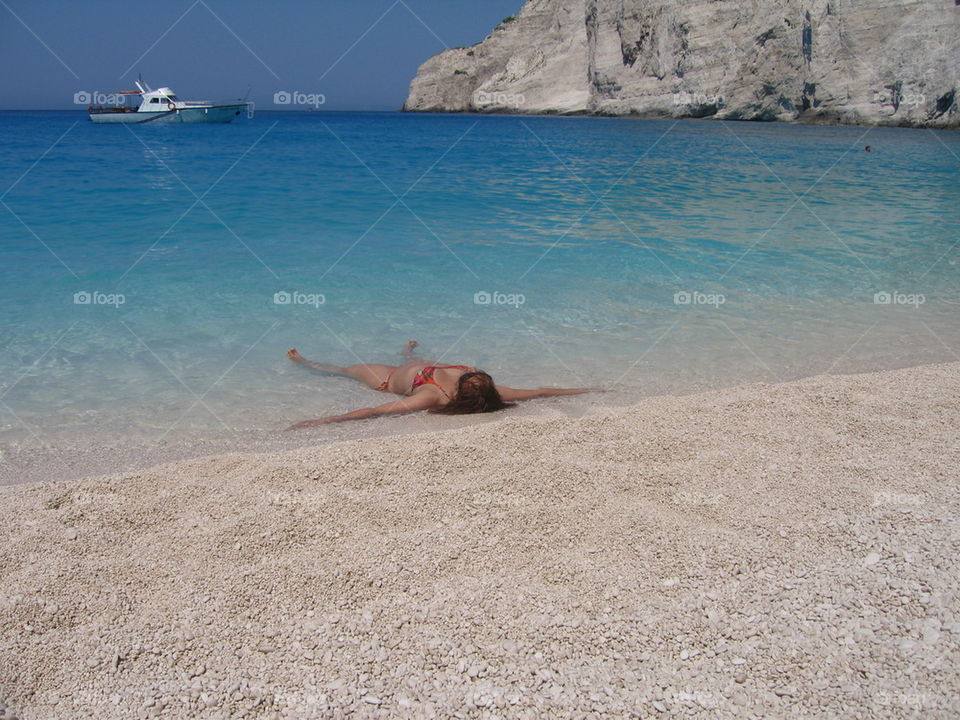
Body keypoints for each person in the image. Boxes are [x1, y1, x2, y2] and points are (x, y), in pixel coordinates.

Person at [284, 340, 598, 430]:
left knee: (343, 370)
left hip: (387, 378)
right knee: (420, 358)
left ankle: (307, 363)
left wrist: (323, 420)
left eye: (473, 376)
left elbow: (377, 411)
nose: (474, 372)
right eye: (477, 373)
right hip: (422, 367)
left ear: (465, 389)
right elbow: (542, 391)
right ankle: (408, 352)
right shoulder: (490, 390)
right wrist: (589, 390)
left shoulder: (431, 396)